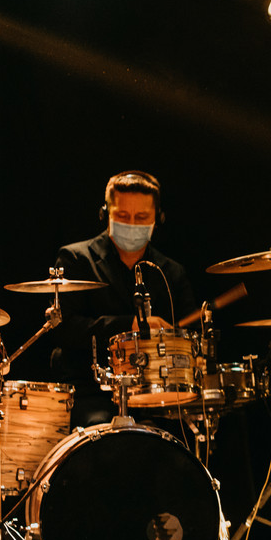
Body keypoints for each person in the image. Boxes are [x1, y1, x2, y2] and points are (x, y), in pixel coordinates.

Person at [50, 170, 198, 429]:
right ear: (105, 214)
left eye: (141, 217)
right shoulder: (76, 259)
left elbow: (192, 335)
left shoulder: (171, 272)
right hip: (93, 392)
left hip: (157, 394)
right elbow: (65, 329)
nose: (131, 224)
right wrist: (129, 325)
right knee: (106, 433)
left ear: (158, 218)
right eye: (122, 216)